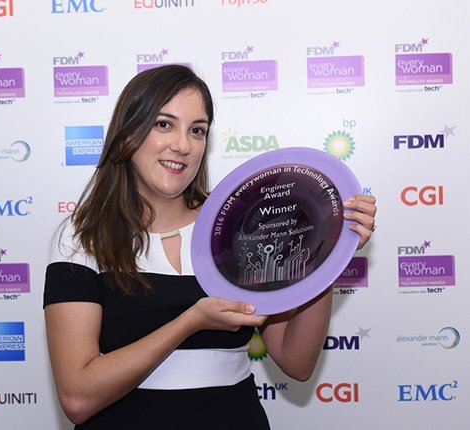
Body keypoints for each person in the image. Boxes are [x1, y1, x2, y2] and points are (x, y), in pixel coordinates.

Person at [43, 64, 377, 429]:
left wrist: (327, 253)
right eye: (164, 124)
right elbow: (77, 398)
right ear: (127, 134)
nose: (182, 145)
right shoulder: (83, 237)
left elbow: (296, 363)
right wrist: (191, 322)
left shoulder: (239, 227)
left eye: (197, 130)